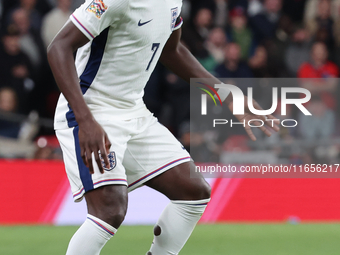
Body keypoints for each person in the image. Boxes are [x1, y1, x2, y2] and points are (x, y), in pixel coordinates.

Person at [47, 0, 279, 254]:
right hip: (91, 111)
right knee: (109, 209)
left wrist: (225, 93)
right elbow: (59, 46)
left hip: (133, 110)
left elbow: (173, 51)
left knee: (194, 193)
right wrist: (85, 120)